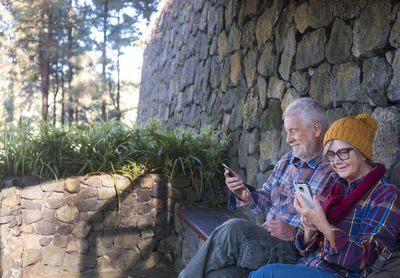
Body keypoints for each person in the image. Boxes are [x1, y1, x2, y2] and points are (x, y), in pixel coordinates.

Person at [178, 97, 339, 278]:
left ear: (316, 128)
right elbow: (265, 200)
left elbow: (330, 231)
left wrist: (294, 233)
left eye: (293, 131)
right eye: (287, 132)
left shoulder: (333, 171)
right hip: (264, 240)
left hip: (294, 251)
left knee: (233, 230)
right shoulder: (287, 160)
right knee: (218, 275)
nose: (288, 139)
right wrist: (243, 194)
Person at [248, 114, 400, 278]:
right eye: (331, 155)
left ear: (362, 153)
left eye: (343, 152)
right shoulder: (337, 188)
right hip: (311, 265)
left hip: (343, 274)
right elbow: (304, 247)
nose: (336, 161)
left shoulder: (385, 194)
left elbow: (364, 259)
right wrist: (309, 229)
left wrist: (323, 225)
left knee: (265, 274)